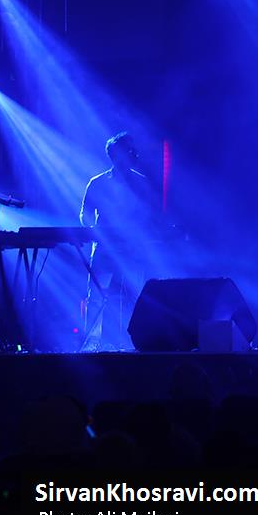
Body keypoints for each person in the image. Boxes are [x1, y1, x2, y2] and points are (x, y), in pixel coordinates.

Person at [79, 131, 159, 351]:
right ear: (115, 155)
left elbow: (150, 215)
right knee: (97, 296)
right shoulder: (98, 183)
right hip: (105, 250)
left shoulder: (141, 183)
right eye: (128, 151)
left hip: (132, 249)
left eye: (133, 151)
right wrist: (96, 232)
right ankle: (92, 345)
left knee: (133, 296)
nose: (133, 154)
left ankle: (130, 343)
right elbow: (85, 213)